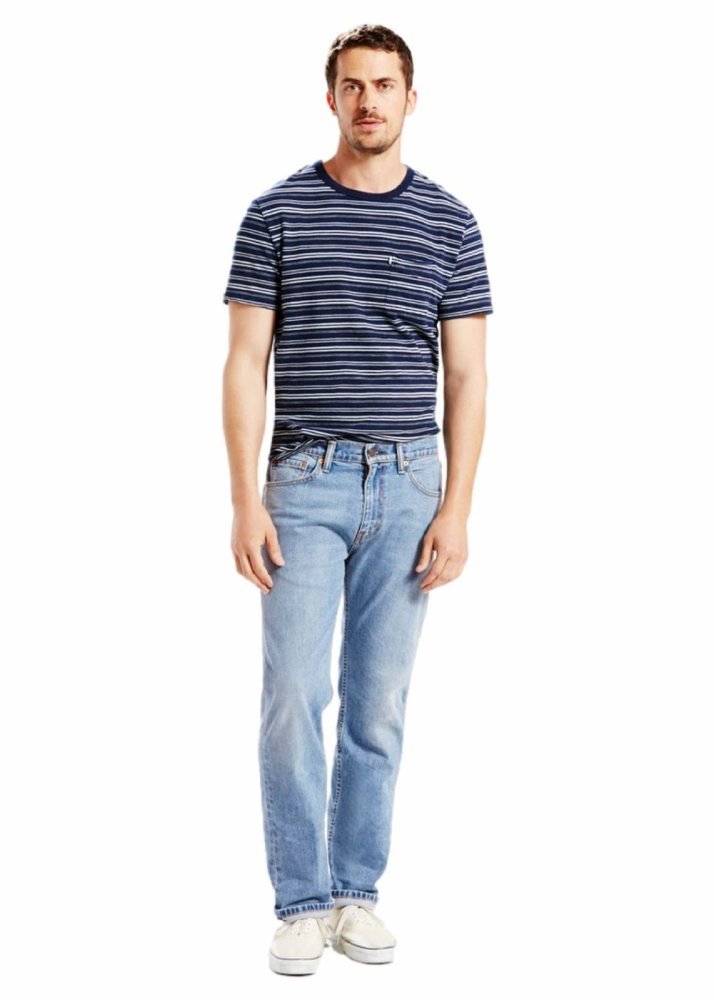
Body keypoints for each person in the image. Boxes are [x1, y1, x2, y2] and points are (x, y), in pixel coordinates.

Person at [221, 23, 494, 975]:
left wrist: (457, 508)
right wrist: (244, 499)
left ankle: (354, 893)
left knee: (377, 704)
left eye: (384, 85)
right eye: (352, 85)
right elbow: (244, 363)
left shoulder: (451, 223)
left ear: (411, 99)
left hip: (412, 482)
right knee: (294, 698)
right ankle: (300, 901)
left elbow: (467, 375)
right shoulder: (276, 214)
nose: (368, 100)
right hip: (304, 480)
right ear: (330, 97)